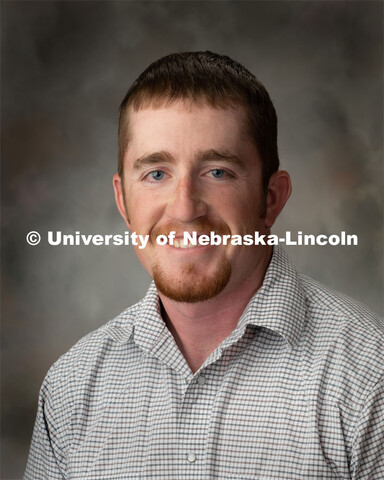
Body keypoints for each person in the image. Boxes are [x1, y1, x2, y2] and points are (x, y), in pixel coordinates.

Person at [24, 52, 383, 480]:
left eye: (217, 172)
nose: (185, 208)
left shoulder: (369, 374)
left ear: (271, 198)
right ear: (123, 202)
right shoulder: (71, 386)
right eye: (156, 174)